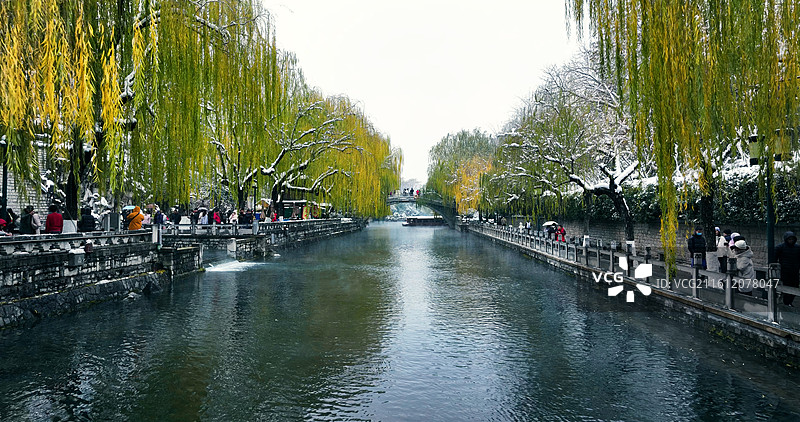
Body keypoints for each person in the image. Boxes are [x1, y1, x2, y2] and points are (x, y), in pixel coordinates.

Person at [775, 231, 800, 306]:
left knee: (795, 286)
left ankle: (789, 302)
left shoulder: (797, 248)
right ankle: (786, 302)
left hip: (795, 271)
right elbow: (774, 258)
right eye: (789, 239)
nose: (791, 241)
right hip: (785, 271)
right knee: (786, 286)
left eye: (792, 239)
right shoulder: (780, 247)